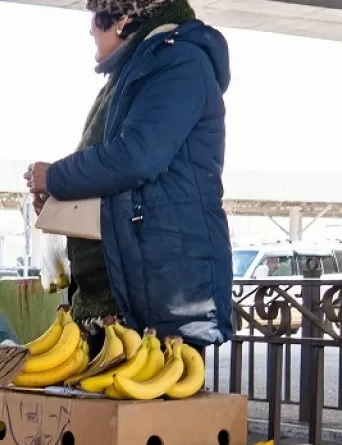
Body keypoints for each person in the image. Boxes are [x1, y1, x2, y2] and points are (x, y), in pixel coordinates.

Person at [24, 0, 233, 348]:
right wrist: (58, 201)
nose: (90, 28)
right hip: (122, 287)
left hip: (161, 292)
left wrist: (57, 177)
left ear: (121, 19)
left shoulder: (179, 62)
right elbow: (117, 178)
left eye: (95, 16)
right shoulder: (136, 72)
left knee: (153, 400)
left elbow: (137, 157)